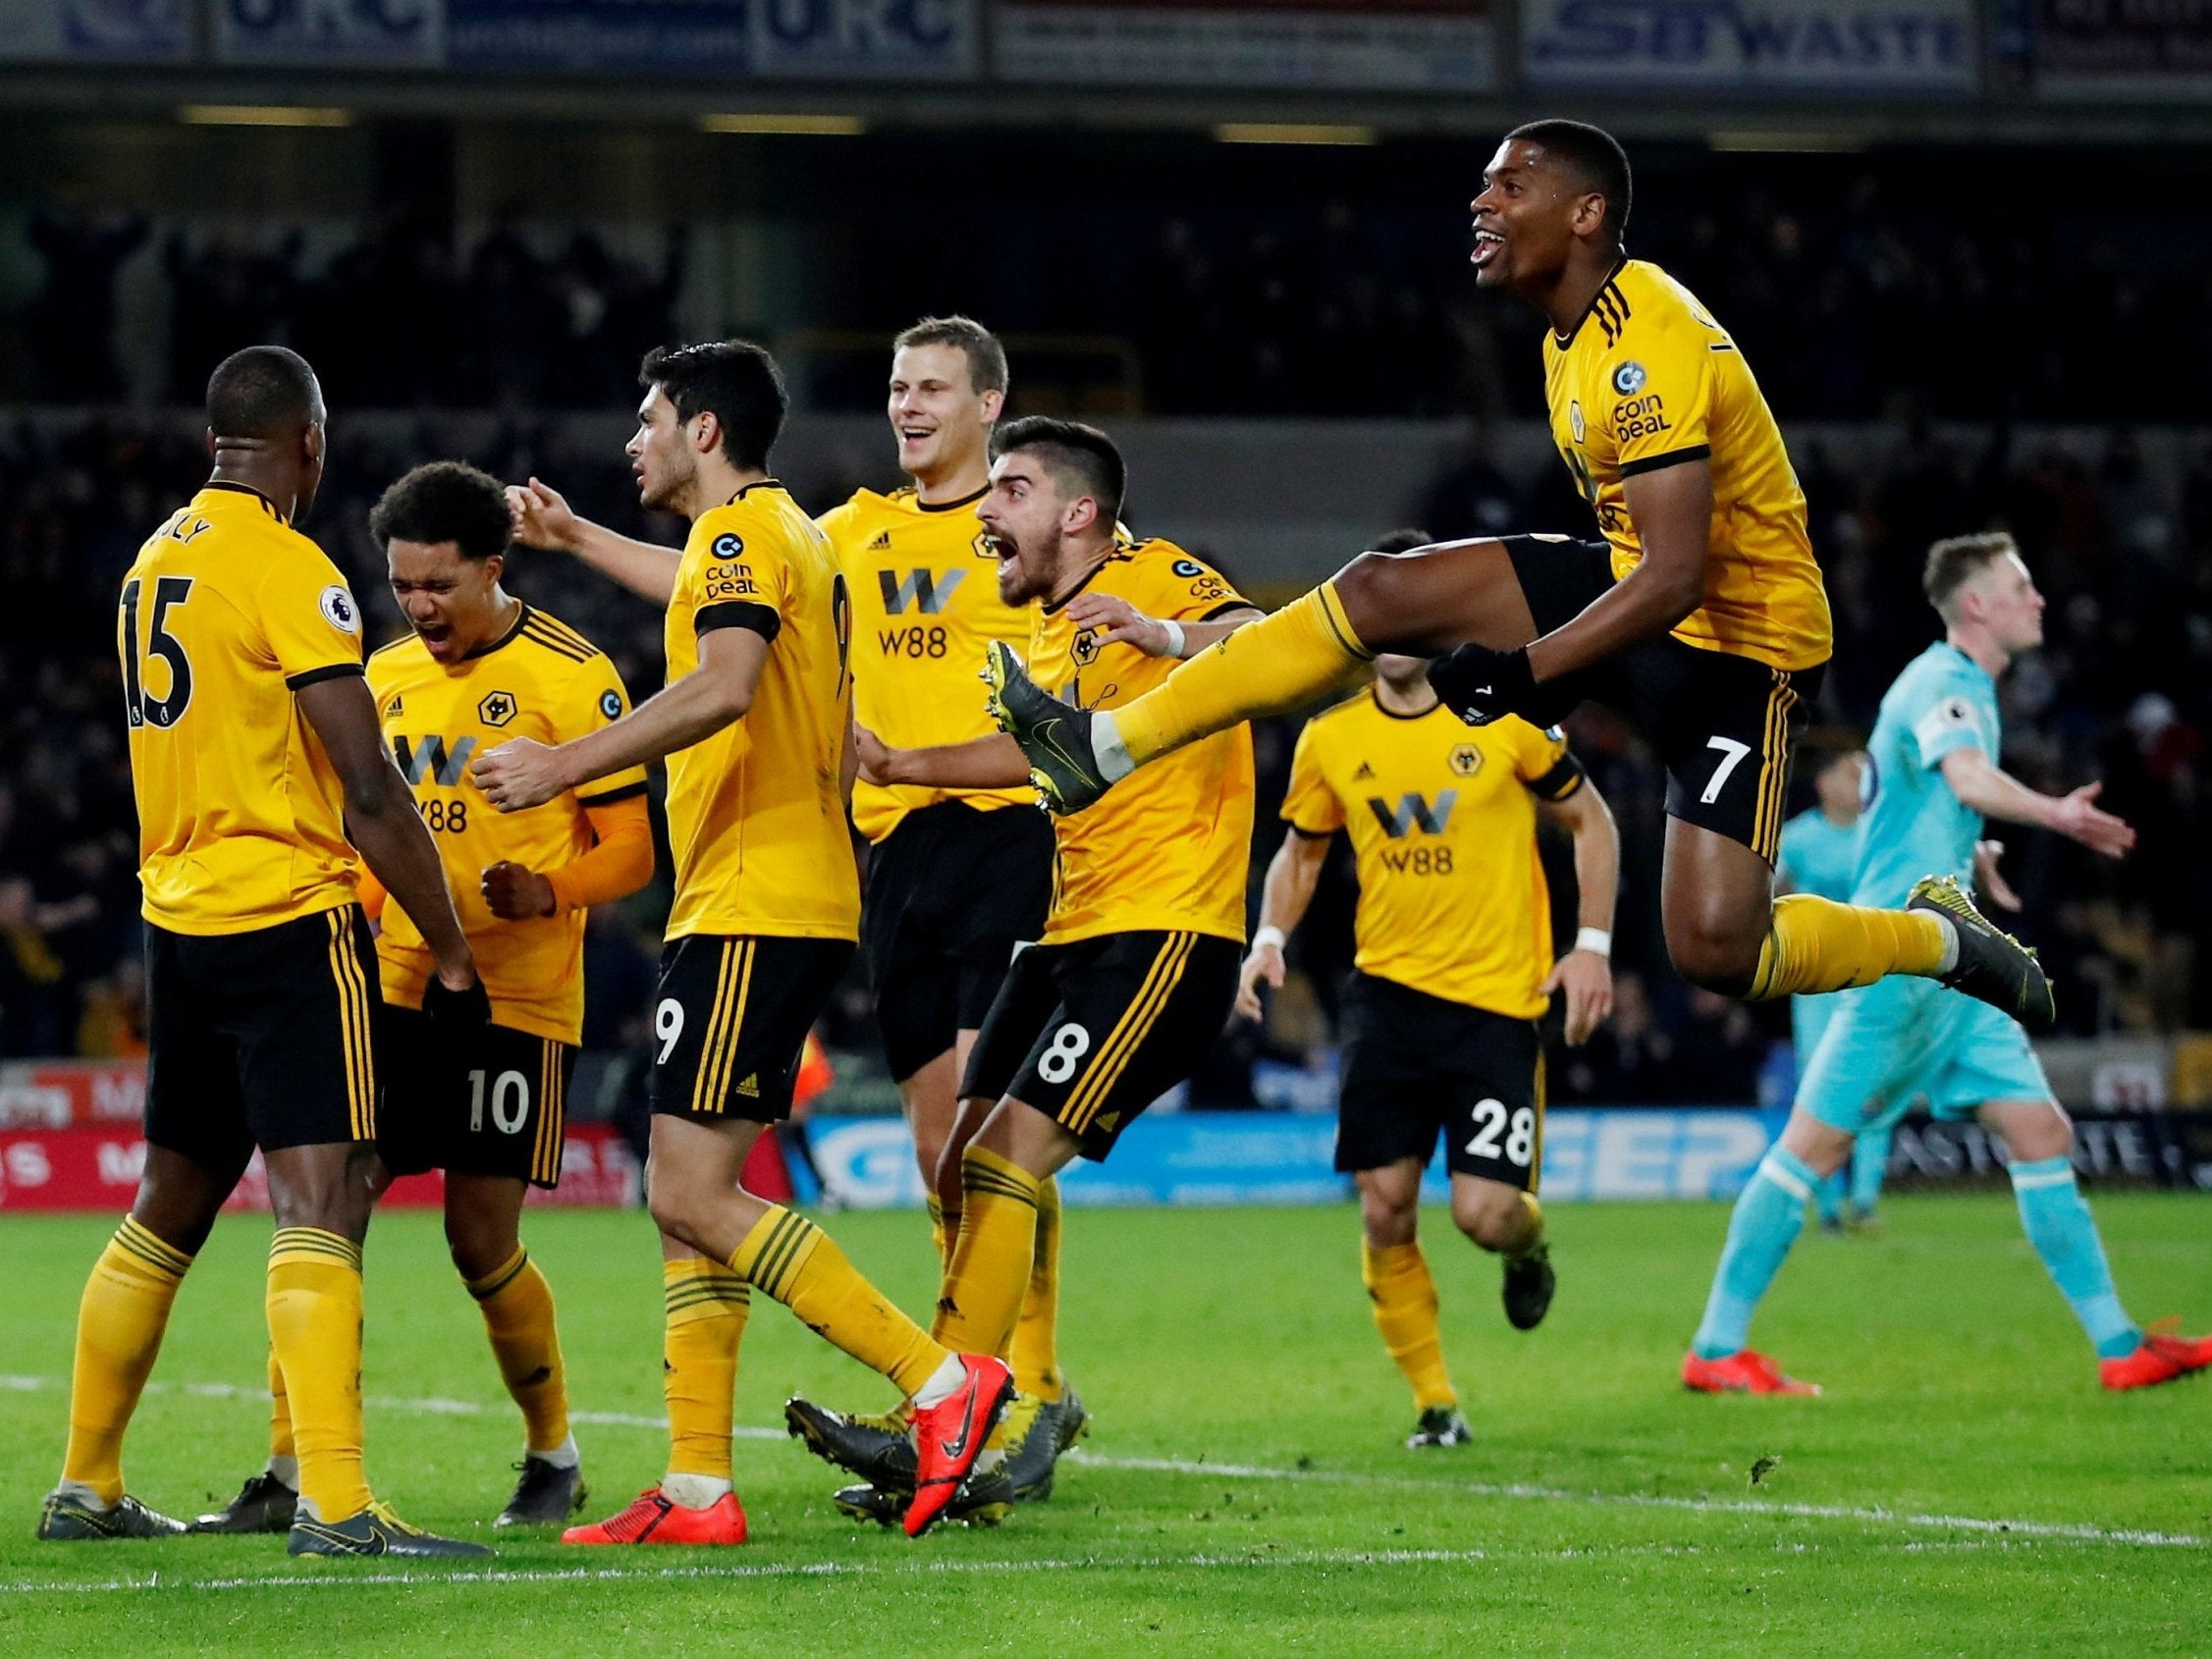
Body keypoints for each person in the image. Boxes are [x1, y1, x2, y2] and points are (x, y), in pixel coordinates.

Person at [981, 119, 2052, 1049]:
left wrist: (1530, 671)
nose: (1481, 201)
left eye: (1510, 184)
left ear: (1586, 214)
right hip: (1637, 594)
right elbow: (1647, 562)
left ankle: (1938, 933)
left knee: (1718, 950)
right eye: (1485, 184)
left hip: (1743, 647)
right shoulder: (1565, 341)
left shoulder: (1649, 344)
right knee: (1384, 587)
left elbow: (1680, 574)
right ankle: (1106, 744)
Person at [478, 341, 1010, 1543]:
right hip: (774, 891)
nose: (633, 440)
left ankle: (940, 1384)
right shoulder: (781, 532)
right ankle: (700, 1486)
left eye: (651, 417)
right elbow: (703, 590)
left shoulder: (746, 536)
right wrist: (575, 544)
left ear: (704, 432)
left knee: (685, 1186)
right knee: (686, 1202)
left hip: (756, 897)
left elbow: (722, 681)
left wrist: (561, 764)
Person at [43, 346, 491, 1558]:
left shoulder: (155, 559)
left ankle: (85, 1481)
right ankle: (336, 1507)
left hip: (175, 916)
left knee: (166, 1203)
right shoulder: (291, 570)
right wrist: (449, 947)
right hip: (287, 916)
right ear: (312, 441)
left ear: (213, 441)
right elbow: (371, 790)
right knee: (325, 1192)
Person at [787, 418, 1259, 1530]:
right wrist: (909, 763)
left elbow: (1267, 639)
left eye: (1011, 488)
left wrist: (1166, 630)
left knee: (1003, 1159)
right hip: (1073, 932)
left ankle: (956, 1415)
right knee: (962, 1159)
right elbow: (1043, 754)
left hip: (1164, 930)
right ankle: (958, 1423)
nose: (987, 511)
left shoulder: (1156, 575)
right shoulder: (1045, 633)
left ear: (1079, 512)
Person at [190, 460, 656, 1536]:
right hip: (390, 981)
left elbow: (632, 848)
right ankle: (291, 1467)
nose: (420, 606)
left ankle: (553, 1451)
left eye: (440, 584)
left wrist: (550, 887)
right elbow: (352, 821)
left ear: (495, 566)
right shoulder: (382, 673)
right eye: (404, 585)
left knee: (478, 1239)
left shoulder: (574, 676)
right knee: (330, 1205)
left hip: (519, 995)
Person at [1683, 533, 2212, 1395]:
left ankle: (2118, 1346)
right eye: (2020, 584)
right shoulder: (1942, 682)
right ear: (1976, 606)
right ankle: (1713, 1348)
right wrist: (2057, 816)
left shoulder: (1962, 686)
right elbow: (1963, 779)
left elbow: (1937, 808)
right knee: (1805, 1153)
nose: (2036, 598)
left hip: (1957, 967)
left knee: (2041, 1133)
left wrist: (1976, 859)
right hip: (1905, 963)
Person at [1239, 551, 1620, 1448]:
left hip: (1496, 1004)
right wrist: (1267, 940)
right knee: (1384, 1208)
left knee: (1485, 1215)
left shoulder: (1504, 718)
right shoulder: (1329, 738)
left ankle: (1529, 1248)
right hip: (1387, 1002)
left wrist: (1591, 947)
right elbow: (1300, 851)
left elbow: (1591, 820)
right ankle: (1434, 1402)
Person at [802, 317, 1083, 1487]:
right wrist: (584, 537)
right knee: (938, 1158)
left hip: (1008, 837)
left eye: (931, 386)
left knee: (988, 1137)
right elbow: (719, 578)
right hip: (898, 854)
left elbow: (1061, 730)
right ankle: (991, 1389)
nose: (908, 404)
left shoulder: (1028, 532)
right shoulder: (848, 533)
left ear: (989, 402)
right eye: (895, 385)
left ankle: (1017, 1392)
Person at [1773, 747, 1885, 1230]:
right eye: (1848, 772)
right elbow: (1772, 897)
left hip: (1876, 974)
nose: (1857, 782)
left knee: (1876, 1089)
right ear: (1822, 783)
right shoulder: (1797, 838)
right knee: (1822, 1090)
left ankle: (1865, 1202)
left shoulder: (1879, 834)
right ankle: (1828, 1208)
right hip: (1817, 980)